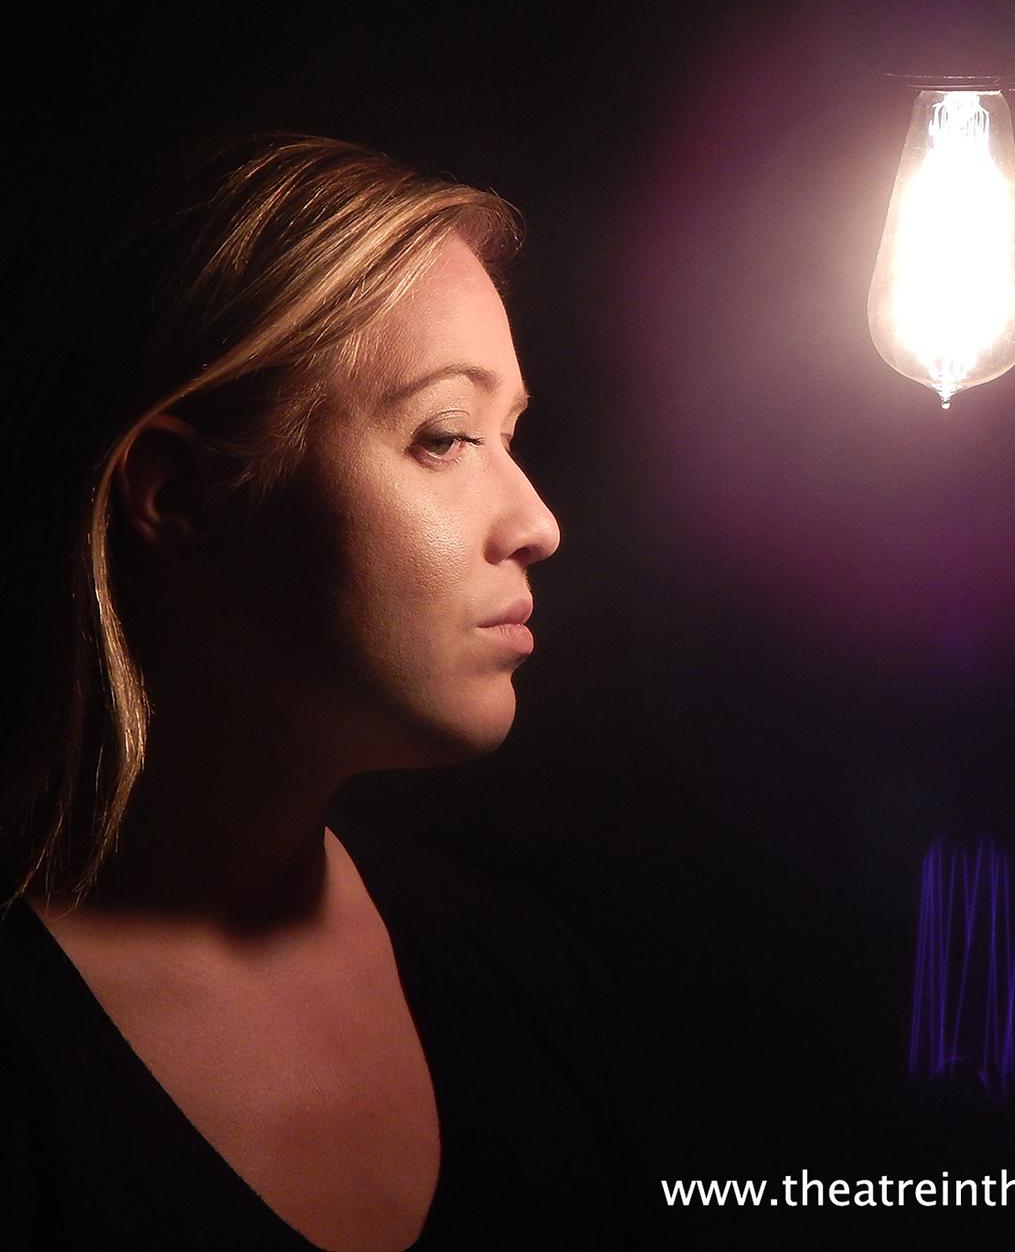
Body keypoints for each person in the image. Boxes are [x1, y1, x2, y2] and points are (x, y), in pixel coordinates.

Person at [1, 136, 625, 1248]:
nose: (536, 522)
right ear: (184, 492)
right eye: (445, 437)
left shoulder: (525, 985)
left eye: (511, 435)